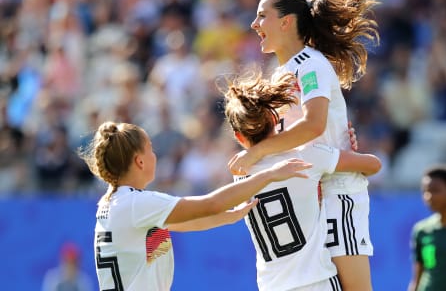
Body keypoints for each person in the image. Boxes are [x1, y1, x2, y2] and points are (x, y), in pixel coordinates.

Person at [228, 0, 379, 289]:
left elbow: (312, 125)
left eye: (262, 16)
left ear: (286, 22)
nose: (254, 24)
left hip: (337, 188)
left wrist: (257, 153)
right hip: (310, 189)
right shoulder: (282, 72)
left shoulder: (309, 65)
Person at [78, 121, 313, 291]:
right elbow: (211, 203)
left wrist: (228, 217)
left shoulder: (116, 203)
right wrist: (269, 175)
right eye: (150, 148)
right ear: (139, 161)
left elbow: (183, 222)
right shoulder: (136, 204)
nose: (155, 155)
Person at [222, 71, 381, 291]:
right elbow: (373, 165)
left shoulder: (240, 173)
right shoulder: (307, 156)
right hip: (318, 282)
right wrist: (340, 146)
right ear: (274, 119)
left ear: (238, 136)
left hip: (272, 285)